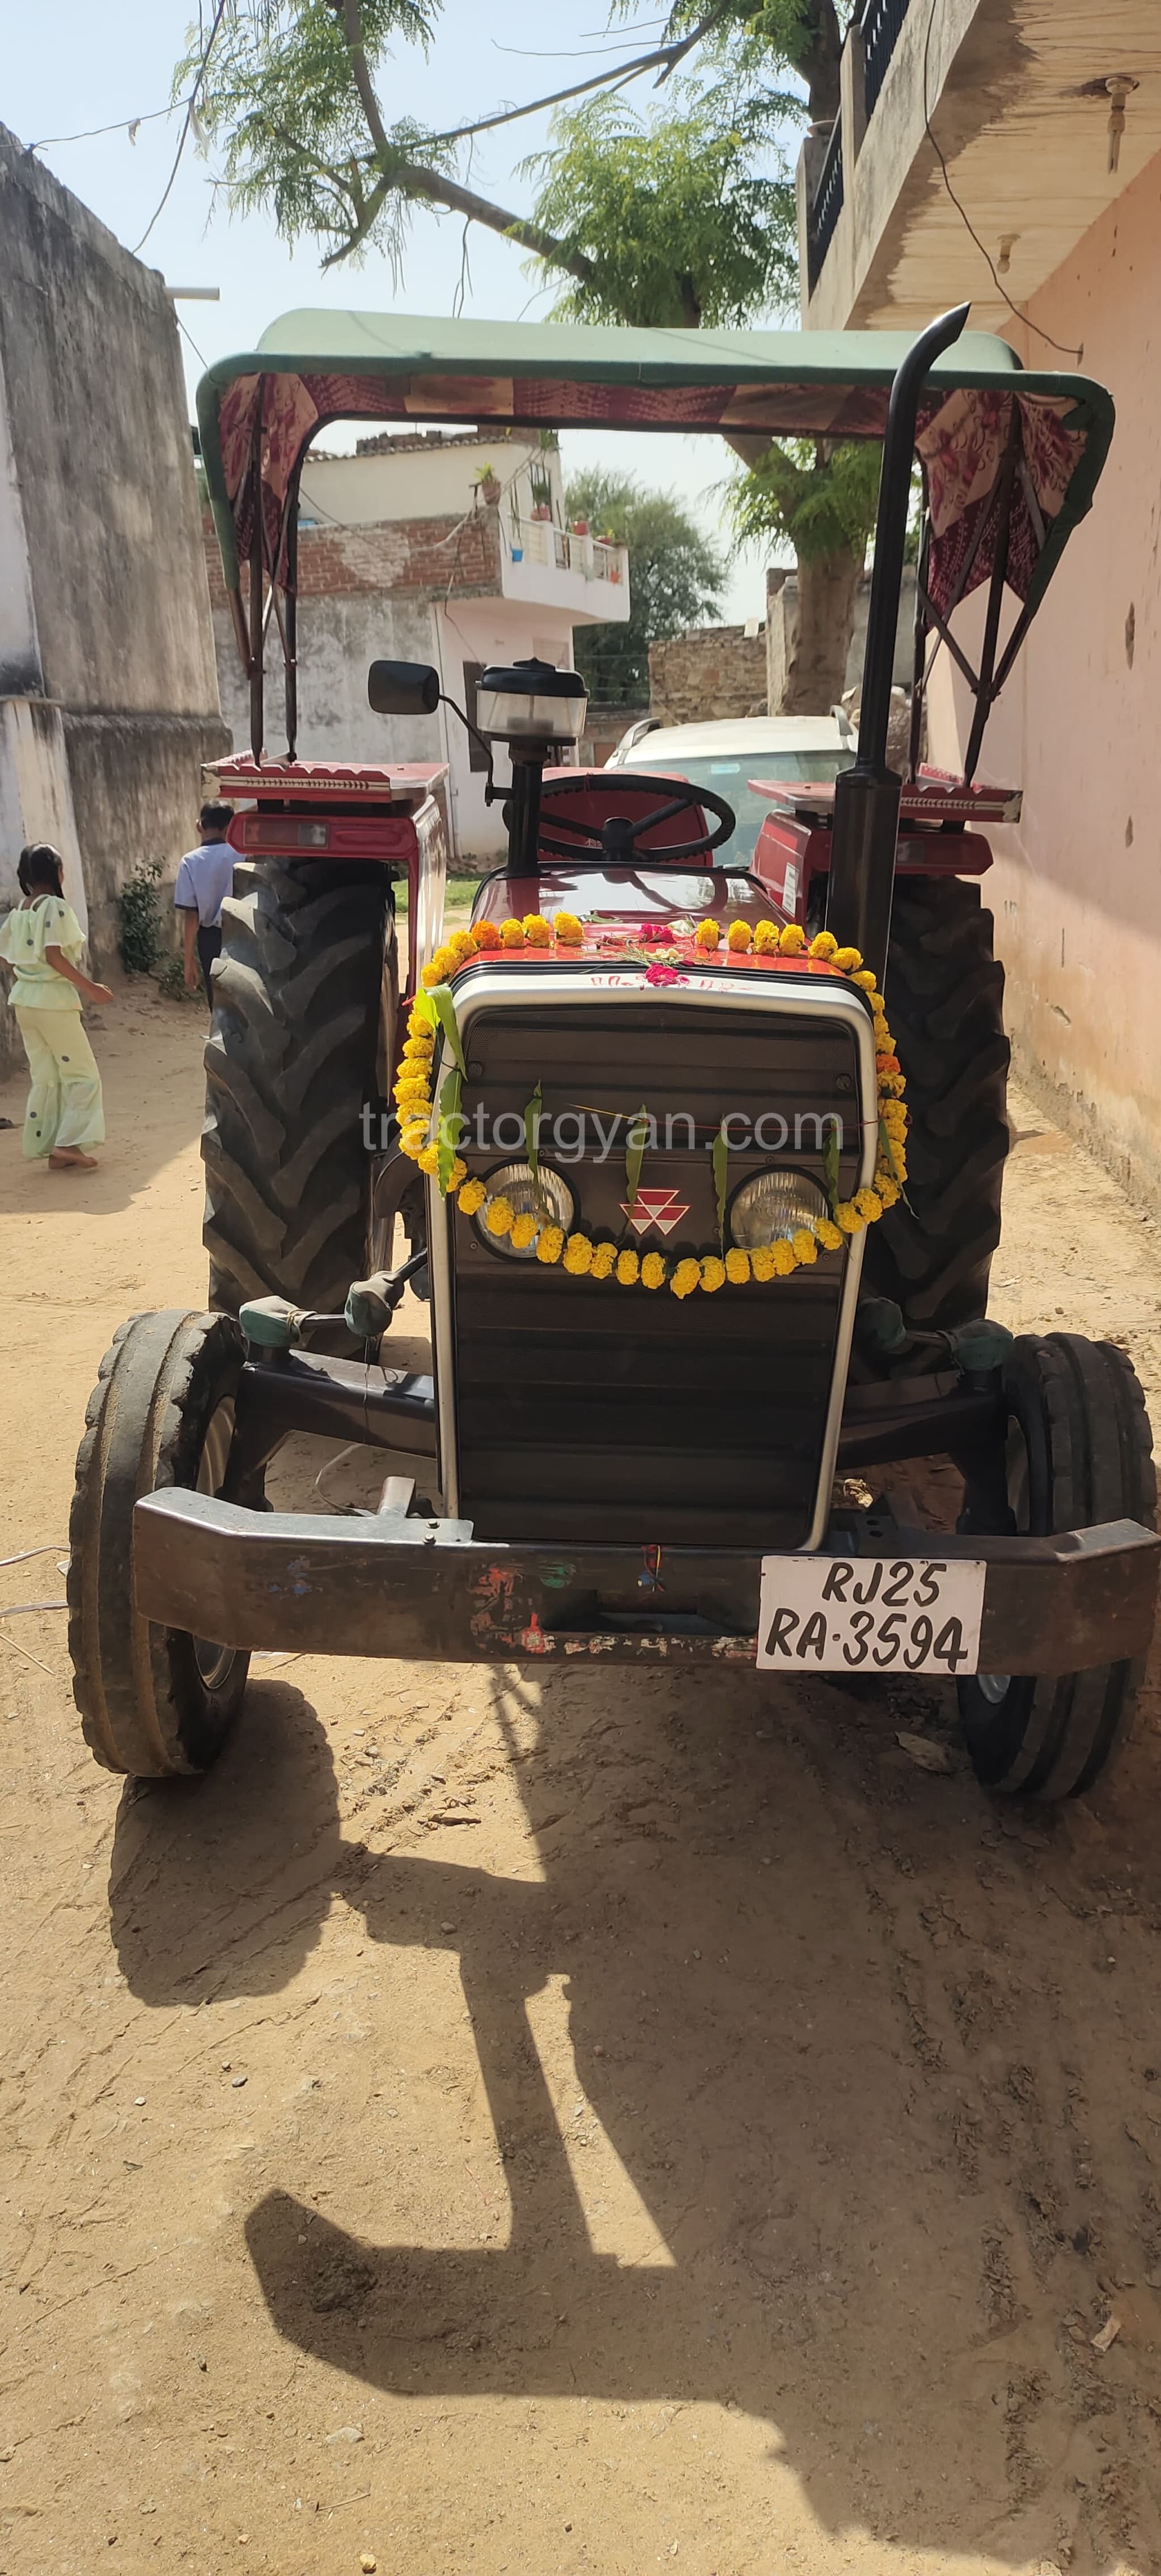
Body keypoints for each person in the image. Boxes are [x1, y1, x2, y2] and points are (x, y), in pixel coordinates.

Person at [0, 843, 112, 1171]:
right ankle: (66, 1145)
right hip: (53, 1002)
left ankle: (52, 1145)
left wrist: (28, 969)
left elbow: (6, 959)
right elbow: (53, 955)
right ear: (57, 872)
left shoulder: (20, 911)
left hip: (24, 1000)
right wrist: (90, 988)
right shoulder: (56, 909)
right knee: (83, 1074)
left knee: (47, 1075)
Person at [174, 800, 235, 1001]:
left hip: (210, 939)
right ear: (230, 828)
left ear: (199, 826)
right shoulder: (243, 856)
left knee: (217, 999)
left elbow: (192, 915)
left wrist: (188, 959)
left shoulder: (190, 862)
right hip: (242, 934)